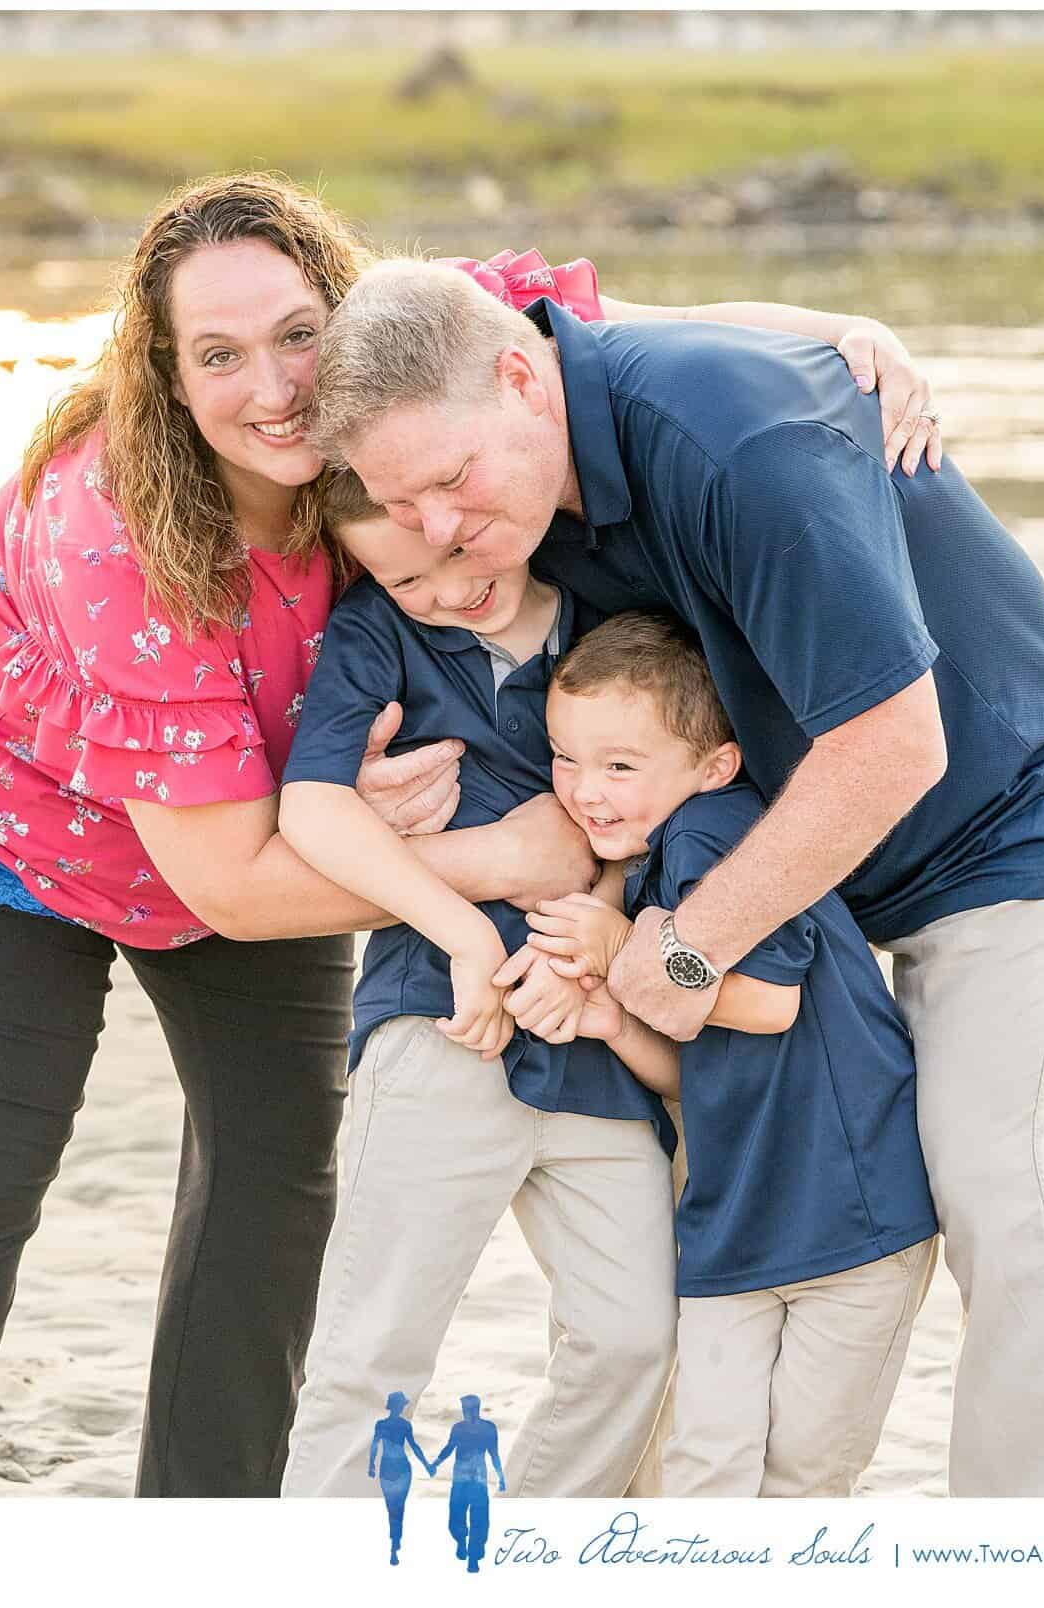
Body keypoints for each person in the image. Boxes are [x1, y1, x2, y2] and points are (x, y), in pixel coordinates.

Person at [0, 169, 948, 1499]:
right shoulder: (114, 539)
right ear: (169, 379)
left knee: (274, 1172)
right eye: (221, 356)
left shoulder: (403, 354)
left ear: (343, 313)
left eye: (299, 334)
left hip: (296, 831)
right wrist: (491, 863)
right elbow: (233, 889)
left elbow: (590, 337)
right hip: (5, 827)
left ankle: (218, 1533)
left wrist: (828, 339)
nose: (279, 385)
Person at [312, 260, 1044, 1497]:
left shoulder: (734, 442)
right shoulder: (515, 485)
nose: (435, 530)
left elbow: (896, 747)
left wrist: (680, 951)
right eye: (399, 501)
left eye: (450, 480)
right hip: (784, 834)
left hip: (979, 816)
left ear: (524, 381)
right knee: (710, 1181)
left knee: (990, 1182)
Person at [279, 480, 800, 1500]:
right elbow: (312, 808)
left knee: (631, 1338)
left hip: (590, 1049)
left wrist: (591, 942)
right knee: (371, 1350)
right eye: (404, 577)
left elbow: (640, 822)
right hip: (439, 1023)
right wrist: (464, 935)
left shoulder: (609, 624)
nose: (444, 589)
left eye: (455, 555)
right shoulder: (378, 633)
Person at [530, 612, 939, 1496]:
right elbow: (697, 1062)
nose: (585, 790)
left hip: (846, 1214)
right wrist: (613, 1022)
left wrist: (619, 944)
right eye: (566, 758)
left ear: (714, 764)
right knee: (740, 1470)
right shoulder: (665, 849)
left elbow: (767, 1004)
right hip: (737, 1220)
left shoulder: (712, 829)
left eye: (620, 766)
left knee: (773, 1475)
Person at [429, 1397, 504, 1572]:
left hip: (478, 1481)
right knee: (456, 1517)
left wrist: (501, 1477)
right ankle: (462, 1542)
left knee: (479, 1520)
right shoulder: (459, 1428)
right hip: (460, 1479)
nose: (466, 1412)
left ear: (477, 1409)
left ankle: (473, 1557)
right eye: (464, 1409)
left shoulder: (488, 1428)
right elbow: (449, 1448)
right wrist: (435, 1464)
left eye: (469, 1409)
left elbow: (494, 1454)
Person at [369, 1392, 434, 1565]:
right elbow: (374, 1446)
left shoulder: (399, 1425)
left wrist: (427, 1464)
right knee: (392, 1507)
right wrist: (370, 1465)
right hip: (392, 1468)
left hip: (399, 1468)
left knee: (397, 1508)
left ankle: (394, 1547)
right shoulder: (383, 1425)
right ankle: (392, 1545)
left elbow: (414, 1446)